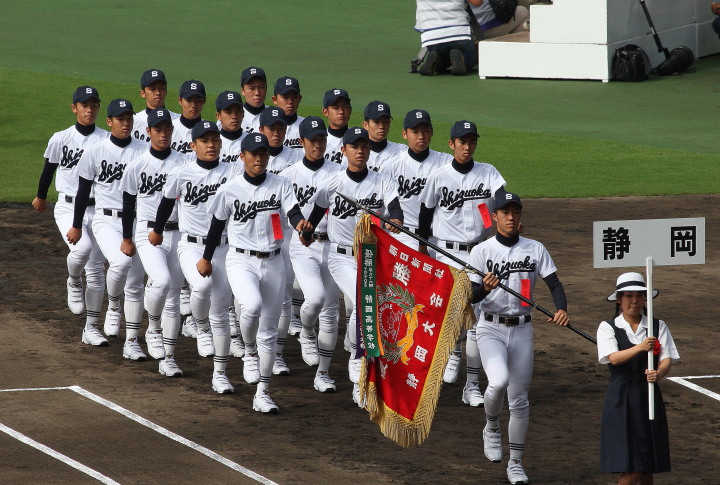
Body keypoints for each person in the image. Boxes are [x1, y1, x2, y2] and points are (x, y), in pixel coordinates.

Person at [200, 132, 311, 413]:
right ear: (242, 156)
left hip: (274, 262)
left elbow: (293, 212)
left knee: (269, 332)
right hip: (240, 260)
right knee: (250, 306)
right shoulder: (230, 189)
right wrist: (206, 258)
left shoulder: (281, 184)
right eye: (253, 154)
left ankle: (263, 392)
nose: (259, 158)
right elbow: (216, 226)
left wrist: (300, 224)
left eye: (263, 153)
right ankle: (249, 351)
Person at [468, 189, 569, 485]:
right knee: (498, 382)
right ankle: (491, 426)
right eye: (505, 212)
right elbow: (470, 295)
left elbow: (554, 283)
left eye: (515, 212)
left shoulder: (535, 248)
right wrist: (485, 288)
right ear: (495, 216)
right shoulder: (481, 251)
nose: (511, 217)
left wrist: (562, 309)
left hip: (523, 329)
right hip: (490, 328)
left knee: (520, 401)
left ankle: (515, 463)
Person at [301, 127, 403, 404]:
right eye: (354, 147)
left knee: (365, 308)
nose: (360, 151)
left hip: (370, 256)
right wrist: (307, 233)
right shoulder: (333, 182)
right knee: (362, 302)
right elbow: (318, 210)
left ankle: (349, 359)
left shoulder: (382, 181)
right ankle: (357, 364)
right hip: (340, 256)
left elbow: (395, 207)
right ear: (343, 151)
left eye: (364, 146)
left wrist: (396, 219)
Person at [419, 120, 506, 405]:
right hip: (447, 253)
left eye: (471, 141)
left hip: (480, 253)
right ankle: (454, 352)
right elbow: (425, 212)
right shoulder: (438, 176)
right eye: (462, 142)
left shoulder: (488, 172)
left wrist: (507, 217)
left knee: (476, 321)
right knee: (453, 314)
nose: (467, 147)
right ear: (451, 144)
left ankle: (472, 385)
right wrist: (423, 247)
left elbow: (502, 200)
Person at [153, 120, 235, 393]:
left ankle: (220, 374)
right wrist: (157, 230)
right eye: (204, 141)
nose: (211, 145)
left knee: (221, 310)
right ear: (193, 145)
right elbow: (166, 203)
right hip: (190, 246)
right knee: (200, 286)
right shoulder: (181, 173)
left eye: (215, 140)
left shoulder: (232, 172)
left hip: (224, 248)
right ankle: (200, 325)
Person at [70, 98, 147, 350]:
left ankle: (131, 341)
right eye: (120, 119)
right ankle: (108, 310)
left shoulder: (144, 151)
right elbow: (83, 192)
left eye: (129, 119)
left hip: (137, 222)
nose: (126, 123)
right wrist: (77, 225)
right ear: (109, 122)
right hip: (105, 220)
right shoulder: (96, 151)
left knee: (135, 282)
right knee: (120, 262)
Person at [32, 86, 108, 325]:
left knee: (96, 269)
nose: (90, 110)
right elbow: (49, 169)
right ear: (74, 108)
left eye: (94, 105)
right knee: (81, 249)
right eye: (85, 105)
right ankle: (74, 280)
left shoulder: (106, 140)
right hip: (68, 206)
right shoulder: (61, 138)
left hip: (98, 209)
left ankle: (92, 325)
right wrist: (41, 196)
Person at [121, 108, 187, 375]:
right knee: (161, 281)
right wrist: (126, 238)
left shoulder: (184, 163)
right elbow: (128, 205)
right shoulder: (137, 166)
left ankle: (168, 358)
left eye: (167, 129)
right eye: (158, 130)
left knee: (173, 297)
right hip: (147, 232)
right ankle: (152, 328)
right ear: (148, 131)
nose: (163, 134)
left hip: (179, 233)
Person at [597, 272, 679, 484]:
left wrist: (659, 373)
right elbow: (614, 358)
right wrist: (641, 347)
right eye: (628, 295)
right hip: (621, 397)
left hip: (648, 395)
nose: (634, 301)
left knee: (647, 465)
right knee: (634, 466)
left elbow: (667, 358)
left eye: (639, 295)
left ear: (645, 299)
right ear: (619, 299)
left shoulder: (657, 326)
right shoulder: (607, 327)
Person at [280, 116, 342, 392]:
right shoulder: (288, 175)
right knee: (315, 298)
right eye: (312, 140)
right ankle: (306, 331)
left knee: (330, 312)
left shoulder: (339, 173)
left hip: (334, 246)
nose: (317, 145)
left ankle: (323, 374)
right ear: (301, 141)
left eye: (321, 140)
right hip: (302, 245)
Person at [384, 109, 450, 251]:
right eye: (415, 131)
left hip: (438, 237)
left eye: (425, 131)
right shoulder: (392, 165)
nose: (421, 136)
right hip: (404, 235)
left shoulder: (446, 162)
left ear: (432, 132)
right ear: (404, 134)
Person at [415, 0, 482, 76]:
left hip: (431, 37)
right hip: (459, 33)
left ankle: (437, 59)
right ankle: (462, 58)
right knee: (470, 58)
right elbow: (477, 2)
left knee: (442, 57)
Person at [133, 69, 180, 143]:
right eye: (152, 89)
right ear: (143, 93)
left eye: (161, 88)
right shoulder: (133, 121)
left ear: (166, 91)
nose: (158, 92)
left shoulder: (178, 120)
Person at [359, 100, 405, 173]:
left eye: (386, 122)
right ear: (365, 125)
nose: (382, 126)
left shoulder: (401, 151)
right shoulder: (356, 153)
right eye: (377, 122)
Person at [271, 76, 304, 149]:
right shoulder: (266, 128)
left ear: (299, 99)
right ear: (274, 100)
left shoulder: (307, 127)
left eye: (294, 97)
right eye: (285, 97)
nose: (290, 101)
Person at [215, 90, 246, 164]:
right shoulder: (212, 143)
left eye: (238, 111)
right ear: (218, 116)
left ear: (243, 114)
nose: (234, 116)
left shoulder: (251, 141)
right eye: (228, 112)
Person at [322, 89, 351, 165]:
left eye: (345, 107)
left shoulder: (360, 139)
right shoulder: (318, 141)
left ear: (350, 110)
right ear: (325, 112)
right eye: (336, 107)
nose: (341, 112)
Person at [240, 66, 268, 134]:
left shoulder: (275, 116)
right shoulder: (235, 117)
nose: (257, 93)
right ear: (243, 90)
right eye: (251, 88)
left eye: (261, 87)